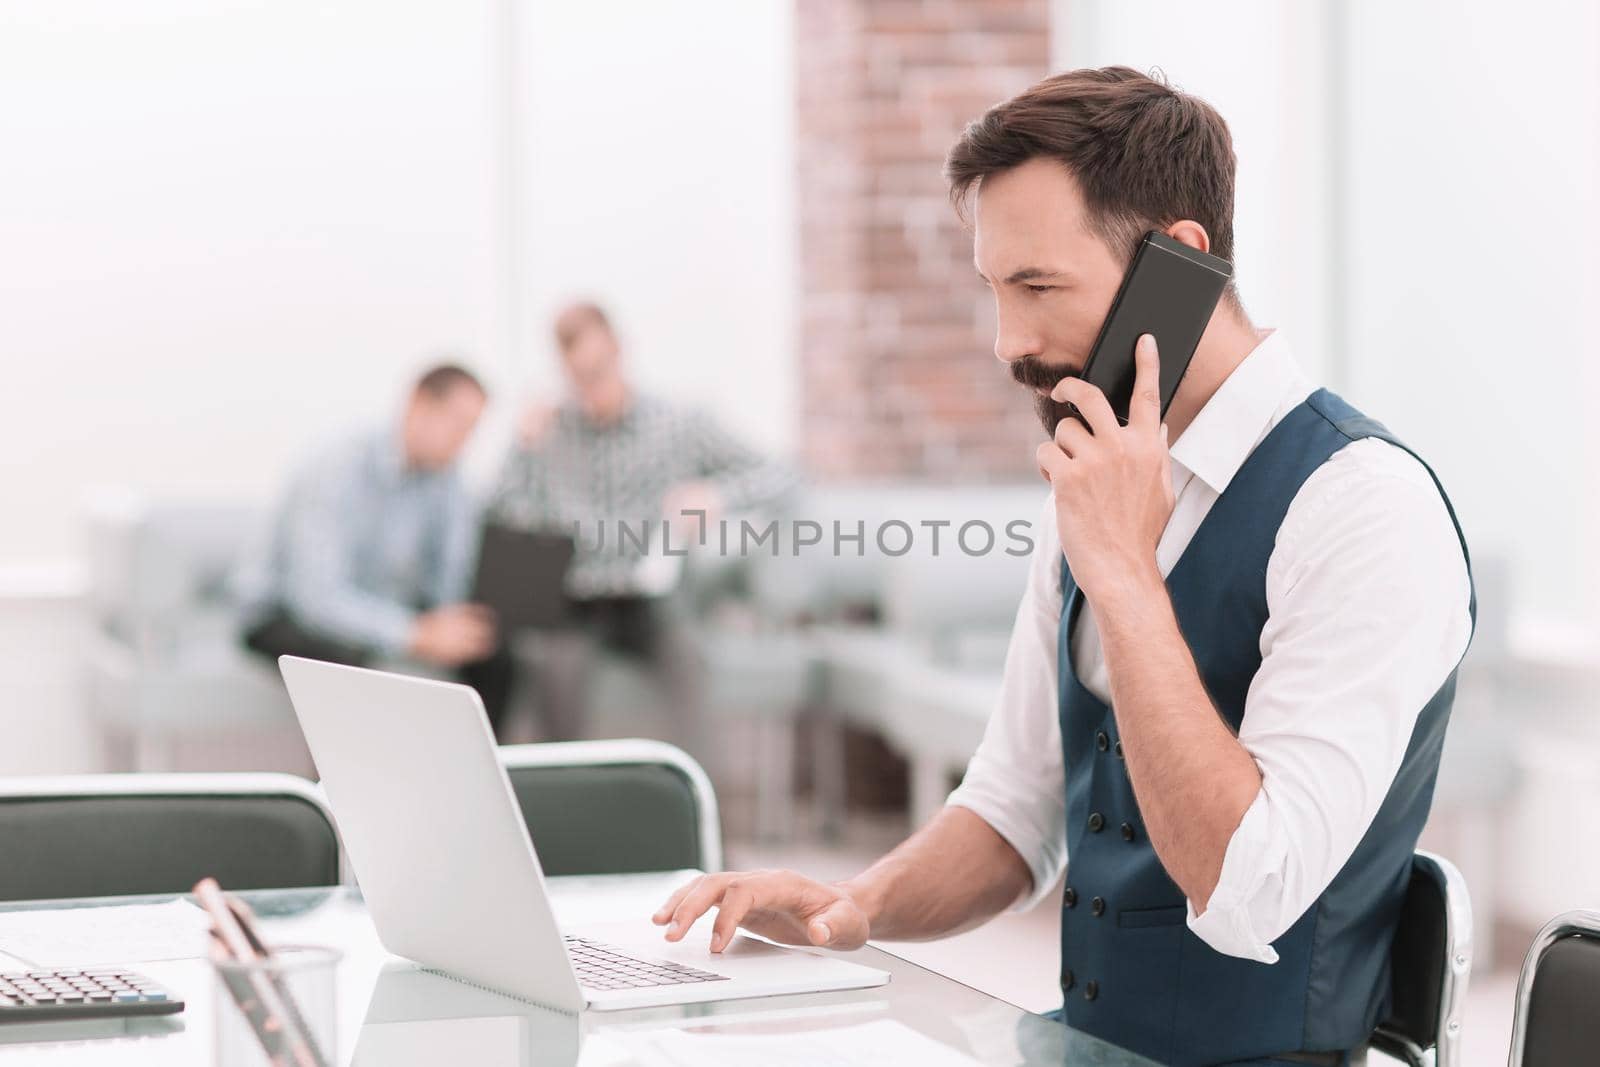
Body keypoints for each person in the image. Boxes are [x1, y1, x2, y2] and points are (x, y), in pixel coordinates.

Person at [650, 67, 1475, 1067]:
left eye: (1039, 287)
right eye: (996, 291)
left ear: (1178, 261)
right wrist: (851, 905)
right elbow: (1012, 807)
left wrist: (1126, 573)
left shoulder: (1361, 507)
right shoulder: (1096, 475)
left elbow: (1247, 882)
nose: (1012, 344)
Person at [491, 301, 794, 745]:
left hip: (653, 599)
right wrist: (522, 445)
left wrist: (716, 495)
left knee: (689, 666)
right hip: (577, 599)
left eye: (599, 370)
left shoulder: (679, 424)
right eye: (579, 377)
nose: (592, 387)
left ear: (619, 350)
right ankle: (562, 806)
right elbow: (501, 516)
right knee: (551, 668)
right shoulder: (549, 435)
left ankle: (696, 803)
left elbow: (780, 473)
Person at [235, 363, 516, 731]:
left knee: (496, 659)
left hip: (381, 607)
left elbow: (449, 579)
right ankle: (342, 784)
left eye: (472, 430)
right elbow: (317, 599)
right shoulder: (337, 470)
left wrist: (451, 623)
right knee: (350, 664)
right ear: (419, 404)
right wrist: (415, 634)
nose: (463, 441)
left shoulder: (447, 480)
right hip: (283, 611)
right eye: (458, 424)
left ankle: (473, 781)